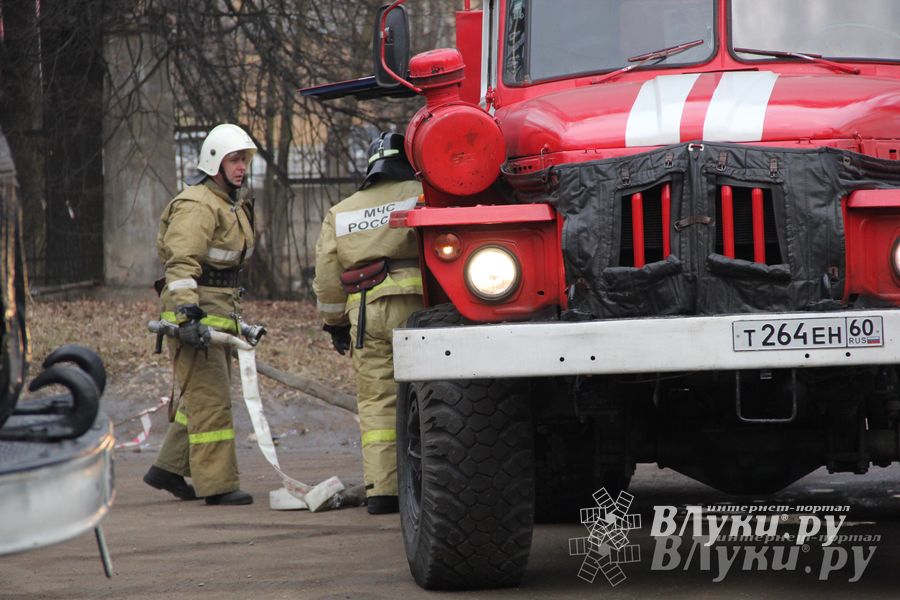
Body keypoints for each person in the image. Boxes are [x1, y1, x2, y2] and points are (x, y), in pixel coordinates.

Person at [143, 123, 257, 506]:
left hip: (217, 314)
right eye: (234, 160)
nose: (241, 167)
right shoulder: (198, 204)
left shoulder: (227, 204)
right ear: (215, 162)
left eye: (244, 160)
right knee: (211, 400)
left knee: (202, 394)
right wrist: (187, 317)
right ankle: (218, 485)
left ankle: (169, 468)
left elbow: (222, 272)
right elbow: (181, 264)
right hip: (196, 316)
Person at [313, 132, 423, 515]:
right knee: (428, 395)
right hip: (419, 310)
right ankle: (427, 484)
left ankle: (383, 492)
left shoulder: (342, 210)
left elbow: (328, 275)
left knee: (377, 401)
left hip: (365, 314)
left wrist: (335, 323)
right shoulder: (424, 191)